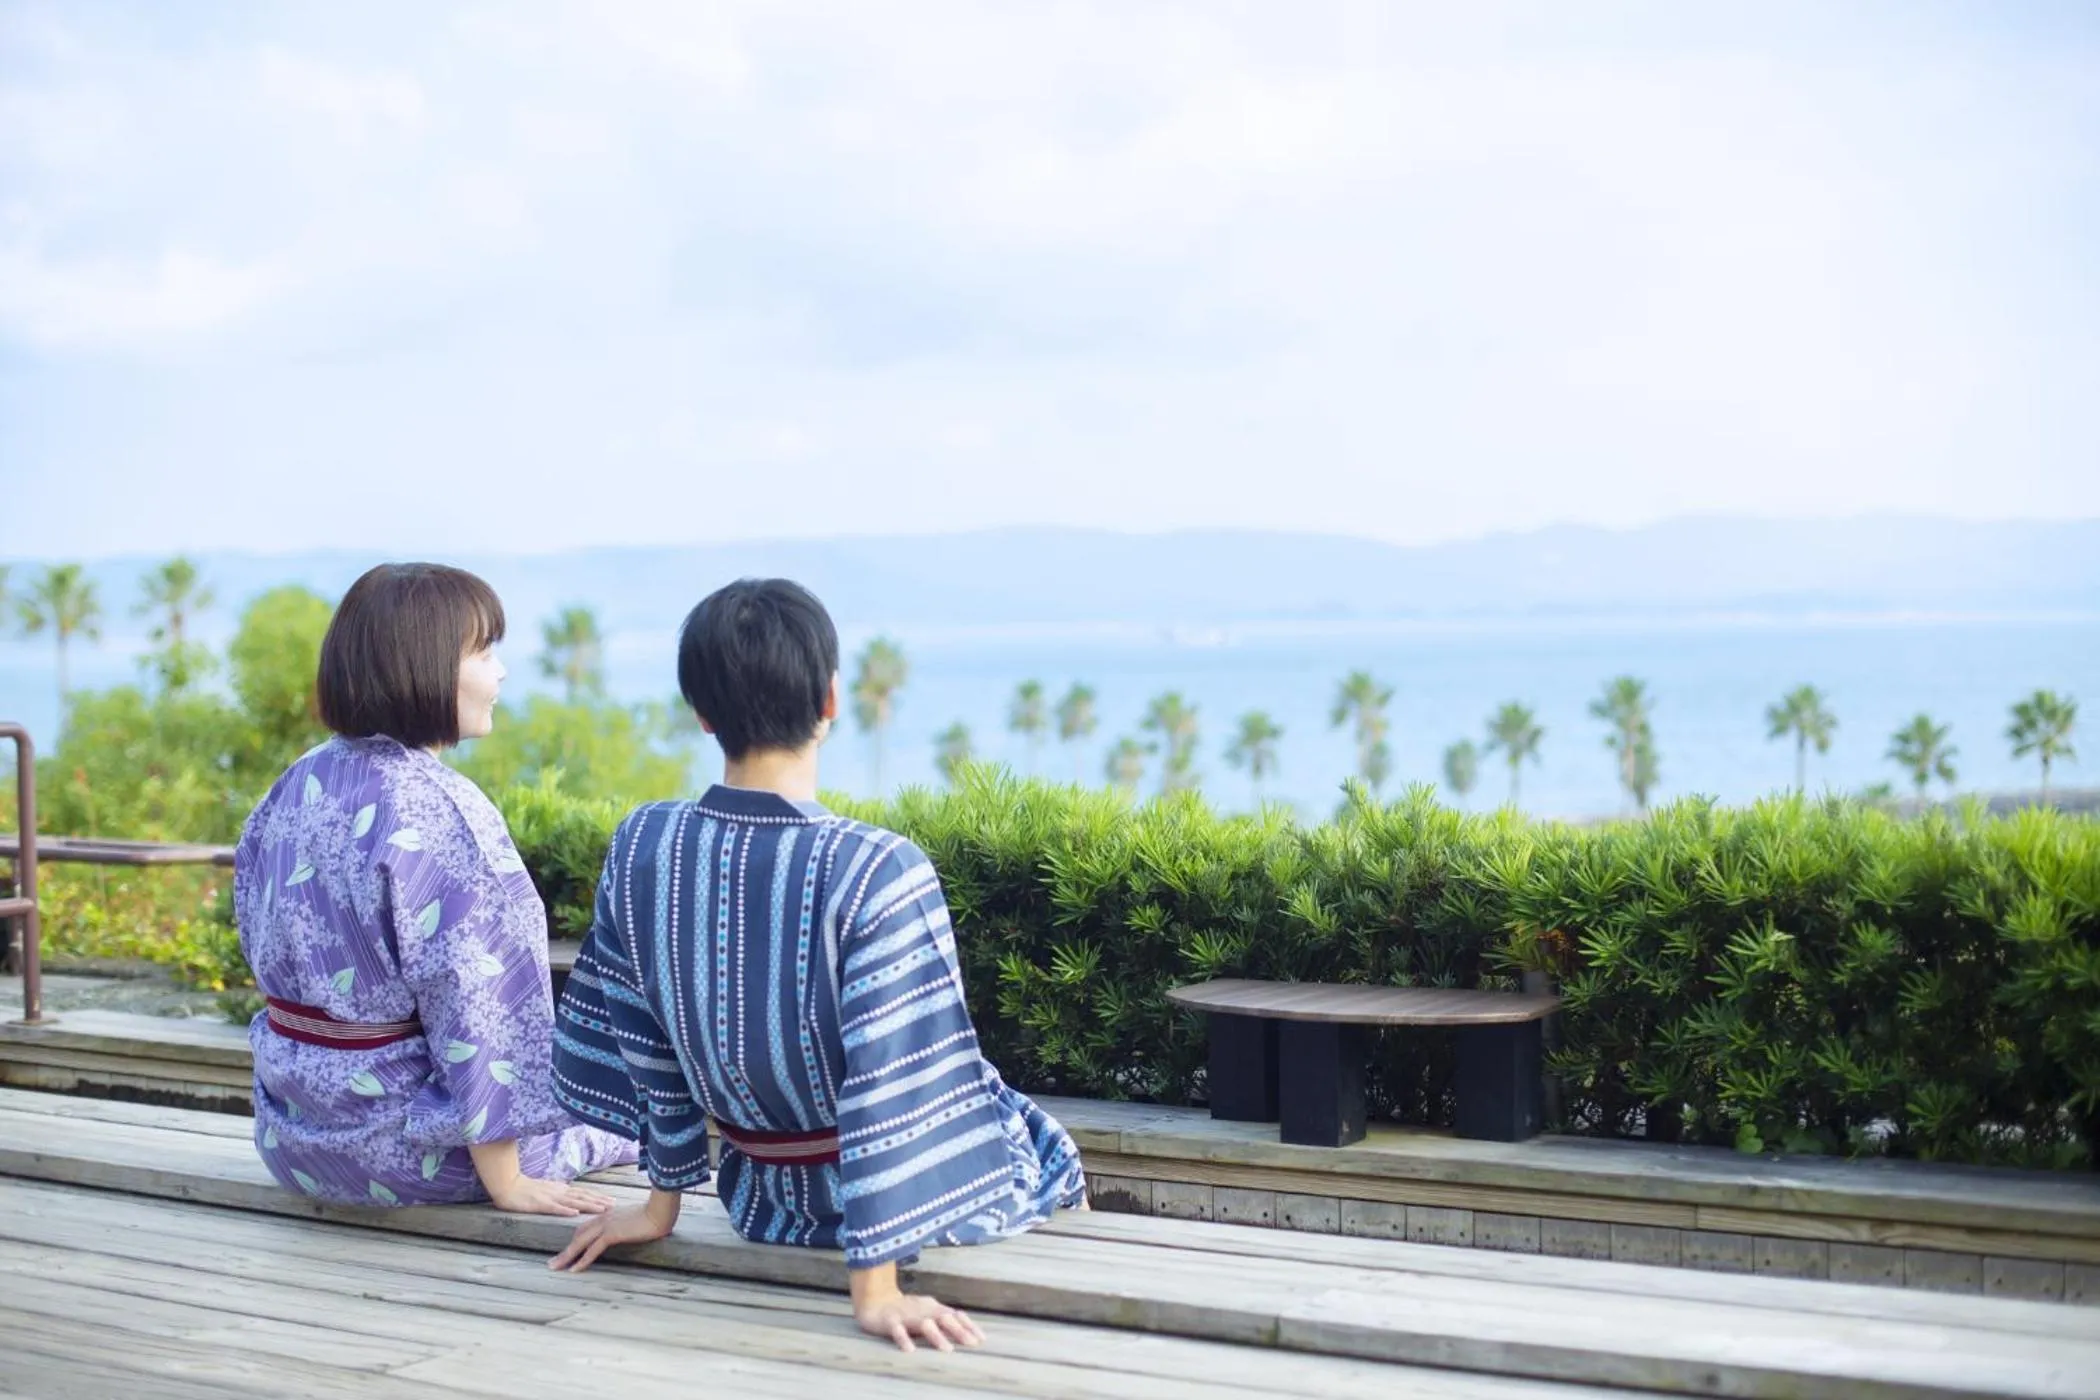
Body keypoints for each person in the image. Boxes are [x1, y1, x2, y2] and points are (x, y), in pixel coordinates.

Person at [547, 578, 1086, 1353]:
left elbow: (643, 1044)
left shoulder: (645, 846)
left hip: (764, 1202)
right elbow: (893, 1082)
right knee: (1043, 1145)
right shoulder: (878, 869)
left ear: (702, 714)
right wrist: (876, 1290)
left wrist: (660, 1207)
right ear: (831, 699)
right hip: (905, 1215)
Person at [233, 562, 636, 1214]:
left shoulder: (298, 782)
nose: (500, 672)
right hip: (407, 1156)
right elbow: (480, 999)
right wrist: (507, 1181)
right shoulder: (441, 809)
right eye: (483, 652)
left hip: (295, 1139)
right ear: (423, 663)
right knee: (621, 1116)